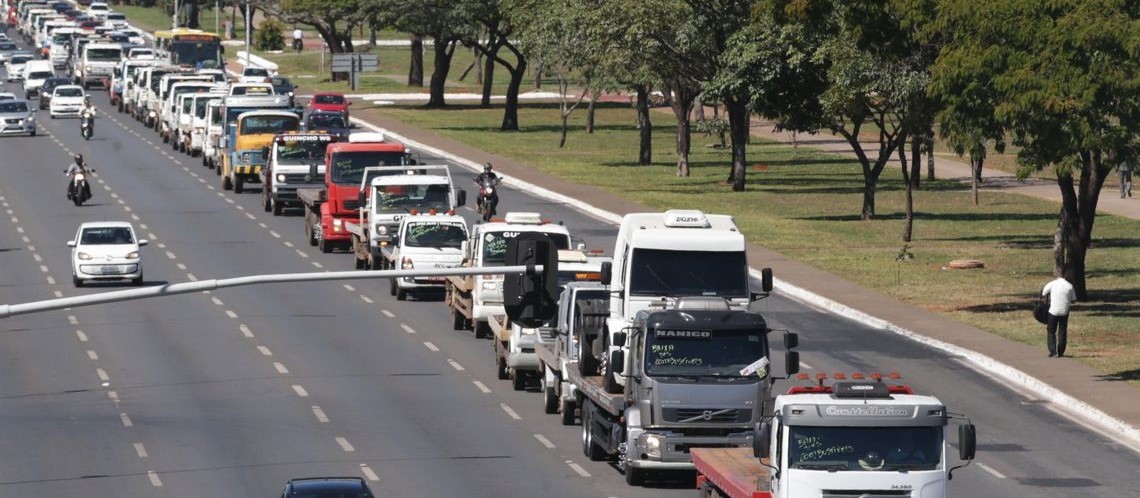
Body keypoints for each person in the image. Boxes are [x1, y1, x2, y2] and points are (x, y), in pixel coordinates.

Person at [1041, 274, 1077, 357]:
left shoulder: (1052, 284)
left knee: (1051, 330)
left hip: (1053, 311)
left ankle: (1053, 351)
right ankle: (1061, 351)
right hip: (1064, 311)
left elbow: (1043, 293)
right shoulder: (1069, 286)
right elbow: (1074, 300)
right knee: (1062, 330)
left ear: (1056, 275)